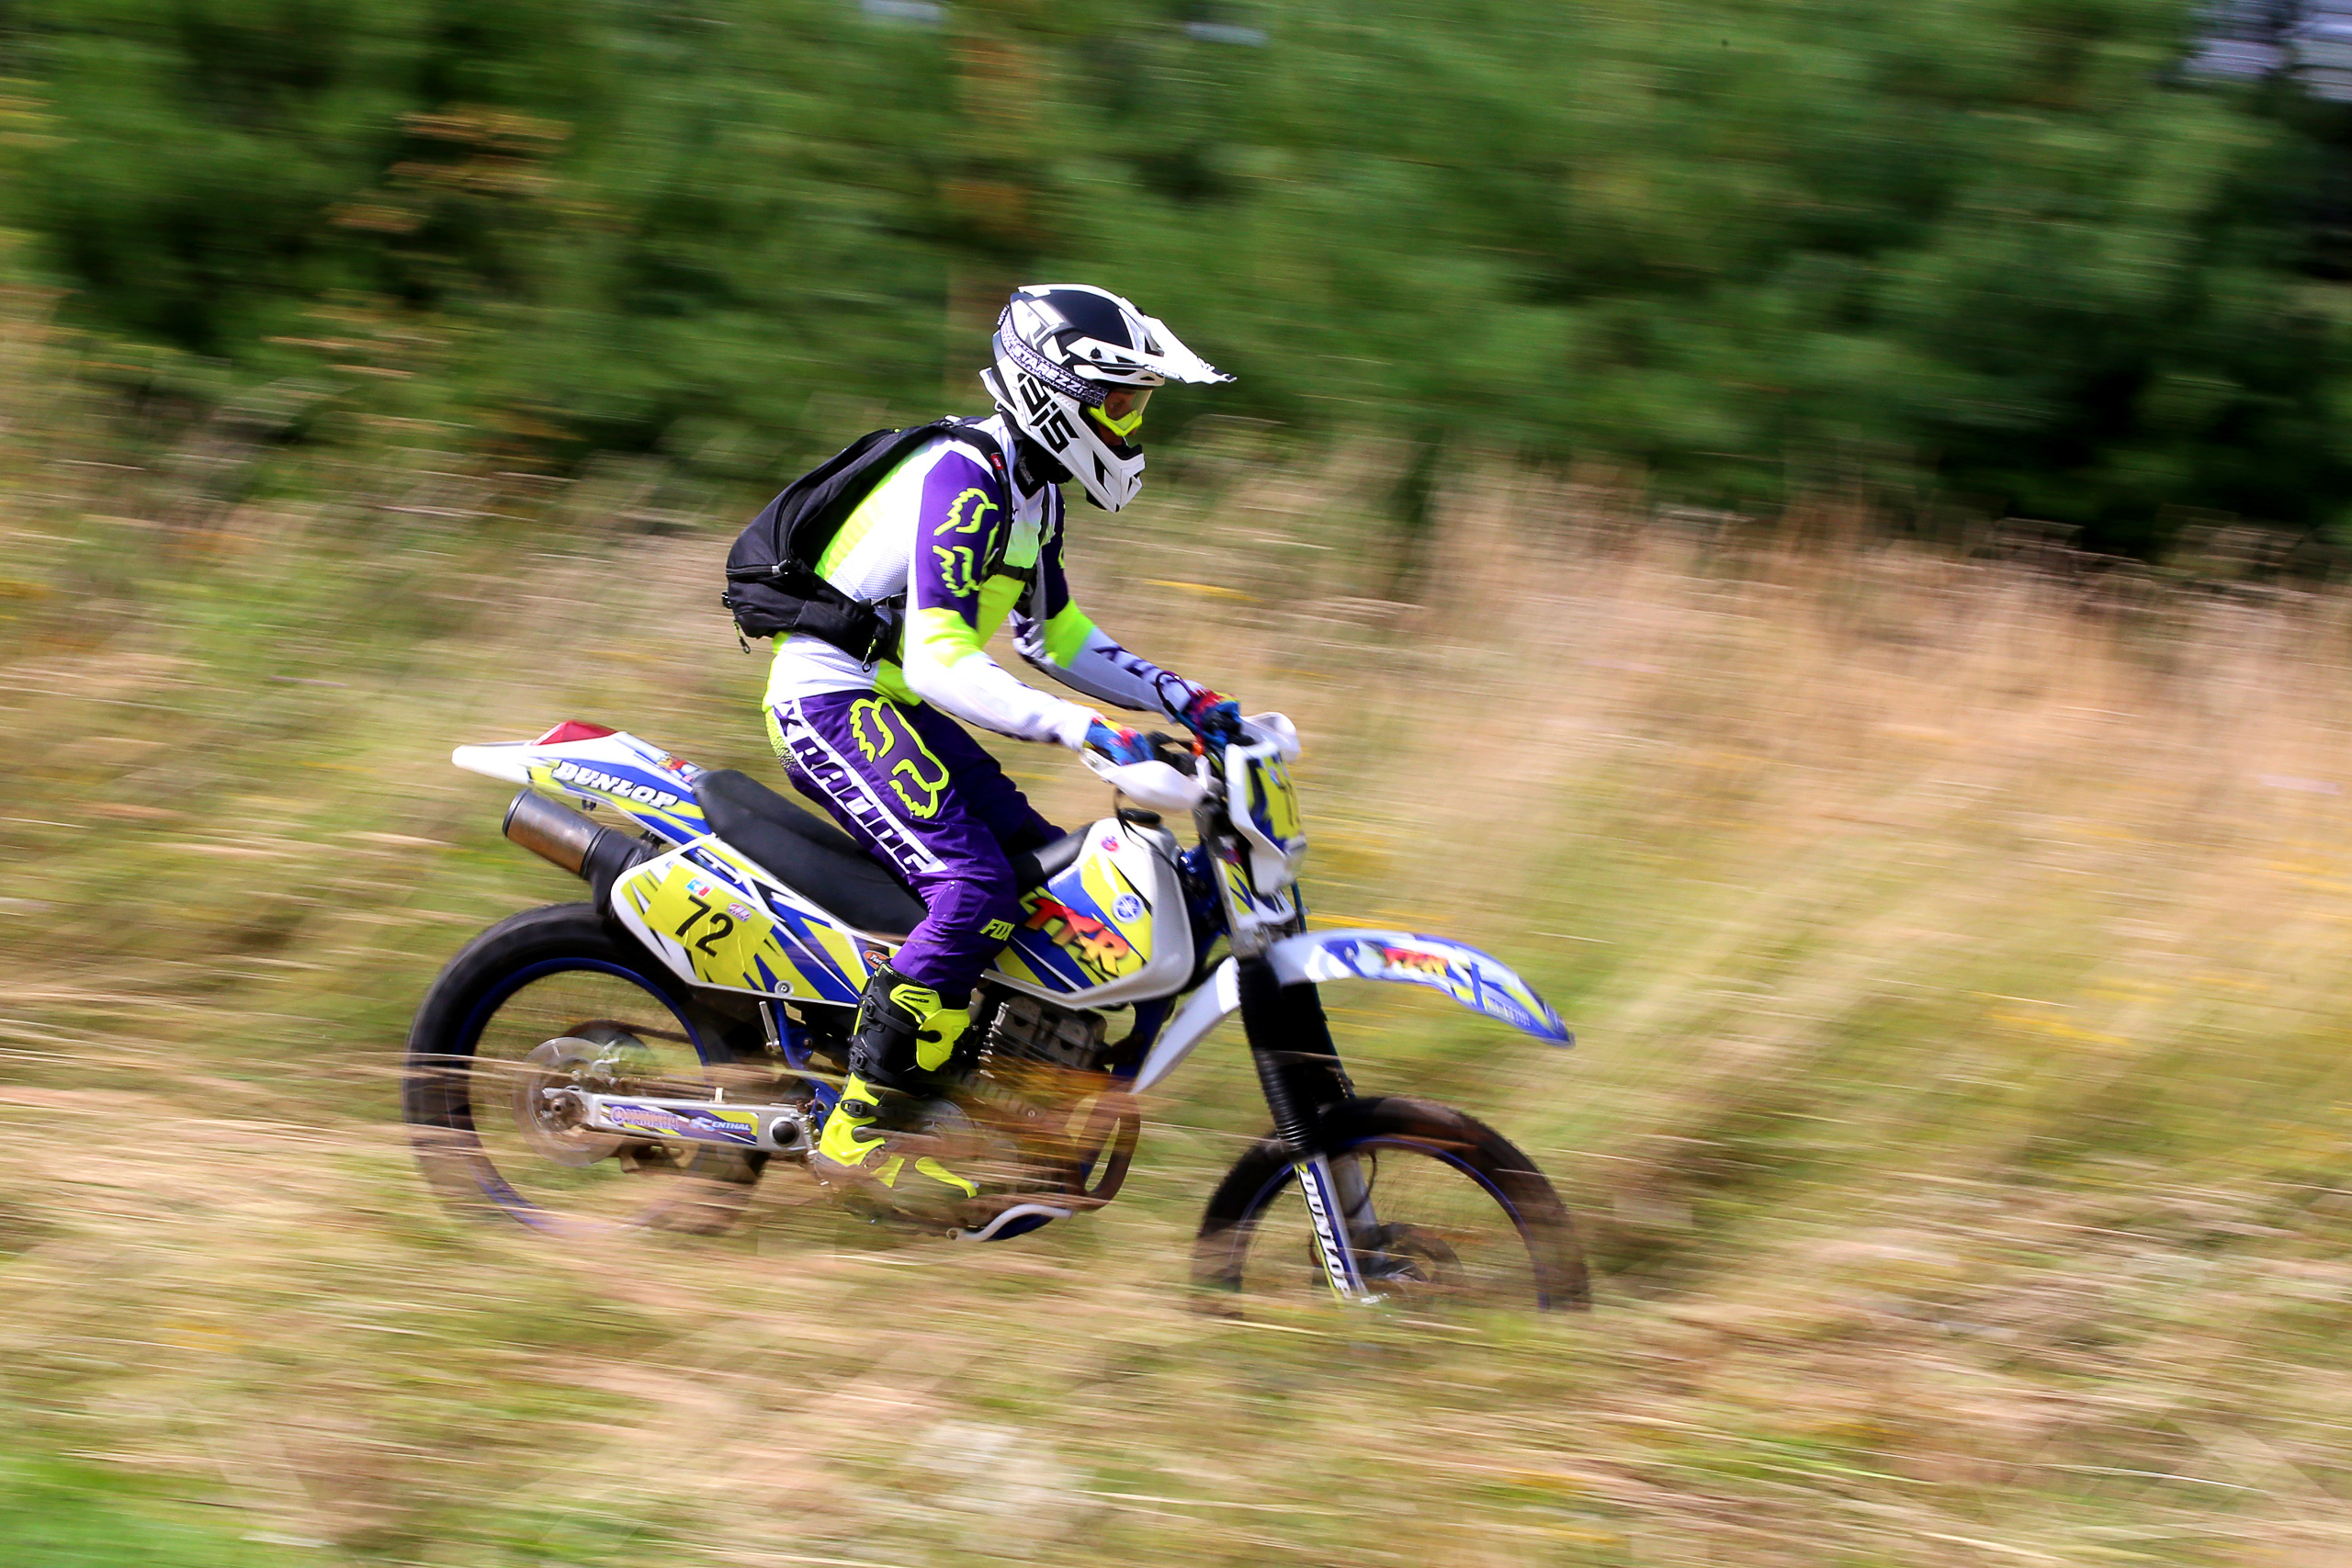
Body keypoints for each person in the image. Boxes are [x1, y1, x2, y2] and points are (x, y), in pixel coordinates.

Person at [763, 283, 1239, 1206]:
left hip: (890, 706)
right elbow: (938, 659)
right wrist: (1084, 728)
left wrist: (1195, 703)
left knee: (1035, 872)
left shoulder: (1029, 493)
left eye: (1135, 404)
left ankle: (979, 1087)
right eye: (1117, 401)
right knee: (974, 885)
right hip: (834, 702)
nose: (1128, 422)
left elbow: (1052, 637)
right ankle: (858, 1128)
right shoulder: (965, 475)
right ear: (1052, 391)